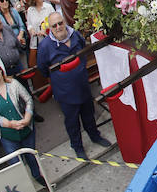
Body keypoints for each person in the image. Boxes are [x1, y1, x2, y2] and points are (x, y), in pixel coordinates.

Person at [36, 13, 110, 160]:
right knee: (72, 122)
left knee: (89, 115)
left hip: (82, 86)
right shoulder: (45, 47)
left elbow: (83, 49)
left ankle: (95, 136)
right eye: (54, 25)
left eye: (60, 23)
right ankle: (78, 147)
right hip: (65, 93)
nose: (58, 27)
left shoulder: (75, 35)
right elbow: (43, 69)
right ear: (50, 28)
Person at [0, 58, 44, 185]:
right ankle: (24, 186)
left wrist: (27, 118)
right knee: (15, 164)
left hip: (25, 129)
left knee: (31, 158)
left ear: (0, 69)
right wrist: (9, 124)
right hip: (7, 135)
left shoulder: (13, 83)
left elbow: (28, 100)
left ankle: (38, 177)